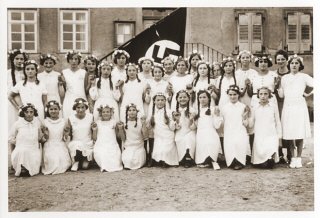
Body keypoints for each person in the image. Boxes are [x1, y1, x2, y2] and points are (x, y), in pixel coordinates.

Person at [278, 54, 313, 168]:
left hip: (299, 105)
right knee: (290, 132)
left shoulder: (304, 76)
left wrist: (308, 94)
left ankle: (298, 158)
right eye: (292, 63)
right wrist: (278, 87)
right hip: (288, 105)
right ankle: (292, 157)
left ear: (300, 65)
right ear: (289, 65)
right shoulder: (284, 78)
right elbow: (282, 95)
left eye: (296, 63)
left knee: (299, 131)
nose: (294, 65)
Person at [249, 87, 282, 169]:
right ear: (258, 95)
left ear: (269, 95)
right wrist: (247, 118)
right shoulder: (255, 107)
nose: (263, 96)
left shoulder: (273, 106)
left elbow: (277, 120)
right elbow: (251, 123)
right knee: (261, 162)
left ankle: (270, 158)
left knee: (270, 150)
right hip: (260, 134)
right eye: (261, 94)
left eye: (265, 94)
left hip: (271, 133)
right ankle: (262, 161)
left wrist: (279, 134)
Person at [8, 104, 43, 177]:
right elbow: (10, 138)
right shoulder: (17, 124)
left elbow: (39, 139)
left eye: (31, 112)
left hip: (33, 149)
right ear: (23, 113)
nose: (29, 114)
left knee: (33, 169)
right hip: (20, 148)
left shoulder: (37, 123)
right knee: (23, 152)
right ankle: (21, 167)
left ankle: (28, 168)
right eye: (27, 112)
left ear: (34, 113)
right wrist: (18, 143)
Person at [221, 85, 250, 170]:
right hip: (229, 130)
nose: (232, 96)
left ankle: (239, 161)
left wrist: (244, 117)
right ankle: (231, 161)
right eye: (230, 95)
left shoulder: (243, 106)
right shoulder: (224, 107)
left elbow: (246, 124)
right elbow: (222, 122)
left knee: (239, 143)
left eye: (234, 94)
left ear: (238, 95)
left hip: (240, 130)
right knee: (230, 144)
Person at [147, 93, 179, 167]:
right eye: (158, 100)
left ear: (165, 101)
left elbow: (172, 128)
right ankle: (158, 160)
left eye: (162, 100)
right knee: (158, 150)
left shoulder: (169, 112)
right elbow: (150, 127)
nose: (160, 102)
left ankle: (166, 161)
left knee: (165, 150)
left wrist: (174, 121)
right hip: (158, 137)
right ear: (154, 101)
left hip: (168, 136)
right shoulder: (153, 114)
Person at [63, 98, 94, 171]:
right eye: (78, 107)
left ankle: (85, 159)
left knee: (85, 167)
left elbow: (93, 132)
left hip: (87, 144)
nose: (80, 110)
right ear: (75, 108)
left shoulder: (90, 117)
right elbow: (69, 135)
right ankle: (76, 161)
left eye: (82, 107)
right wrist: (66, 133)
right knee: (77, 145)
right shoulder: (71, 118)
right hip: (76, 145)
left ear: (86, 108)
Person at [194, 90, 222, 170]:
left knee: (210, 142)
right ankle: (205, 160)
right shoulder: (197, 111)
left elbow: (217, 126)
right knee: (202, 143)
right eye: (200, 97)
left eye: (204, 97)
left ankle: (213, 159)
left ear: (209, 98)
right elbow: (195, 126)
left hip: (211, 133)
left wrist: (217, 115)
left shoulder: (213, 109)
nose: (202, 99)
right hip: (200, 134)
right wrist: (192, 119)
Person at [41, 101, 71, 175]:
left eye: (55, 109)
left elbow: (64, 139)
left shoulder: (64, 121)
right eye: (51, 109)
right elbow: (41, 140)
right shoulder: (45, 122)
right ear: (47, 110)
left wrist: (66, 134)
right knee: (53, 159)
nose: (53, 111)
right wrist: (45, 135)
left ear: (59, 110)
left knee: (62, 161)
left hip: (60, 144)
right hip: (49, 145)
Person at [92, 105, 124, 172]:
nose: (106, 113)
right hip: (101, 145)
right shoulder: (97, 123)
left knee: (115, 162)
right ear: (100, 113)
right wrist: (94, 130)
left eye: (107, 112)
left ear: (111, 113)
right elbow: (94, 138)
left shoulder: (114, 122)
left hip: (112, 145)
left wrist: (120, 129)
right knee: (102, 155)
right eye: (103, 112)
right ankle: (104, 166)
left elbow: (118, 136)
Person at [274, 49, 291, 164]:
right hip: (277, 103)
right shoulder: (273, 74)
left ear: (286, 60)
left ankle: (290, 153)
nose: (280, 61)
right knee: (278, 126)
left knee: (289, 126)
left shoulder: (291, 73)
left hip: (288, 103)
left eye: (282, 59)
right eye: (278, 59)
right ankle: (279, 153)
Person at [173, 90, 196, 168]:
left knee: (189, 139)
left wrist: (191, 119)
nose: (182, 99)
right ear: (177, 99)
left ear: (188, 98)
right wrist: (177, 120)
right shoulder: (175, 111)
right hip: (179, 131)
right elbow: (176, 127)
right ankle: (182, 158)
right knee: (179, 139)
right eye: (180, 97)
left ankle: (188, 158)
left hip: (190, 131)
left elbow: (192, 127)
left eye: (185, 97)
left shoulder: (192, 110)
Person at [121, 104, 148, 170]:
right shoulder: (124, 123)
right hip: (129, 147)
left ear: (137, 112)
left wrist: (144, 124)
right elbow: (123, 139)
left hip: (139, 147)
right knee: (127, 160)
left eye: (134, 110)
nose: (132, 112)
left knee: (137, 161)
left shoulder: (140, 122)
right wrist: (120, 129)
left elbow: (145, 136)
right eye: (129, 110)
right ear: (127, 112)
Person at [61, 50, 87, 118]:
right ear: (68, 60)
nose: (74, 61)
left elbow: (86, 88)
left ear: (79, 60)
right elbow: (63, 88)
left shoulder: (84, 72)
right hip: (69, 99)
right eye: (71, 59)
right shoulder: (64, 72)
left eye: (76, 59)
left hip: (81, 97)